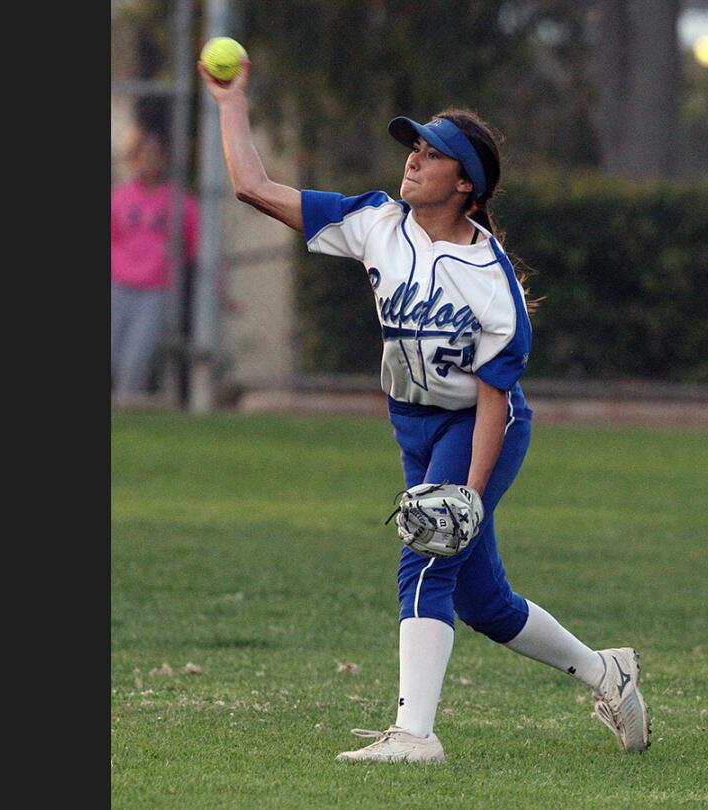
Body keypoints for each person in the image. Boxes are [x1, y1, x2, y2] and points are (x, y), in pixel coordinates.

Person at [199, 57, 650, 763]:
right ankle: (605, 671)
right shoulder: (377, 222)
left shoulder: (489, 276)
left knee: (428, 557)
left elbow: (497, 401)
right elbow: (252, 187)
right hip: (413, 425)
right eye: (413, 146)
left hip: (477, 428)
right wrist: (232, 99)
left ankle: (416, 735)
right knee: (483, 603)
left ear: (465, 184)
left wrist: (468, 495)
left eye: (432, 153)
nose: (413, 159)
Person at [111, 128, 200, 406]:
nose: (148, 162)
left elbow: (195, 247)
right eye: (142, 156)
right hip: (118, 285)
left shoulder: (180, 203)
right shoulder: (120, 199)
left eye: (155, 156)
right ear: (132, 160)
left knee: (134, 360)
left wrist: (218, 289)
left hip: (155, 290)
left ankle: (124, 419)